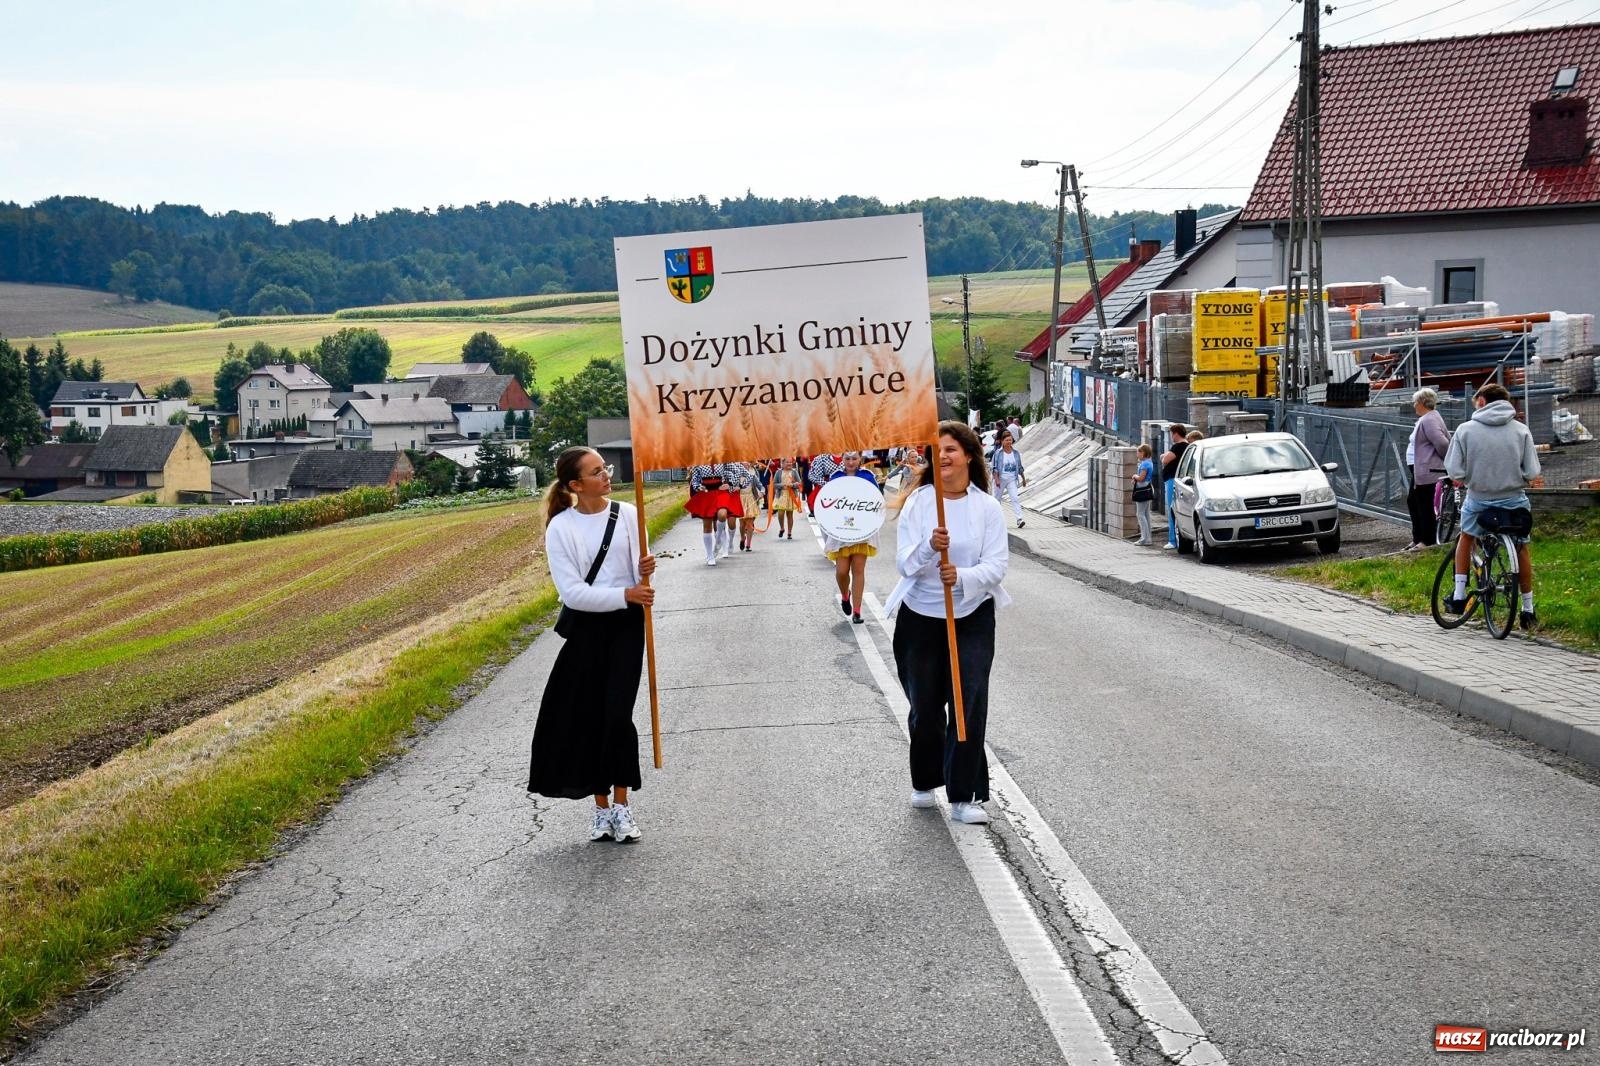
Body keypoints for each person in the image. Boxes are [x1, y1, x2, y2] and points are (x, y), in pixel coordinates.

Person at [528, 447, 657, 843]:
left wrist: (646, 573)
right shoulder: (560, 528)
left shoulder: (629, 514)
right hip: (586, 629)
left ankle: (622, 805)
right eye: (596, 471)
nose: (606, 475)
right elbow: (573, 594)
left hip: (626, 627)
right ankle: (601, 809)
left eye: (606, 468)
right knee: (590, 717)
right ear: (575, 484)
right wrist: (626, 593)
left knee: (618, 716)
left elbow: (639, 581)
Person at [884, 421, 1010, 825]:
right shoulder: (921, 503)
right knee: (924, 706)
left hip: (971, 616)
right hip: (920, 617)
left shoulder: (987, 508)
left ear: (969, 455)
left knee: (967, 703)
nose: (943, 457)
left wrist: (962, 576)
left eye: (951, 449)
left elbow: (997, 565)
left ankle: (963, 795)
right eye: (936, 451)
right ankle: (925, 780)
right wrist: (928, 547)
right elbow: (904, 564)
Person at [1443, 383, 1543, 628]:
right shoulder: (1521, 430)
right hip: (1514, 500)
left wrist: (1468, 478)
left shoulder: (1465, 430)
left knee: (1466, 537)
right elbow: (1532, 471)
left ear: (1482, 401)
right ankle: (1528, 610)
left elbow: (1454, 469)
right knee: (1521, 547)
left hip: (1479, 499)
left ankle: (1459, 596)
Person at [824, 451, 881, 624]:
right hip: (841, 531)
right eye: (847, 458)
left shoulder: (867, 476)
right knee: (841, 571)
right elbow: (828, 502)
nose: (850, 462)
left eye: (854, 458)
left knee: (858, 570)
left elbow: (876, 501)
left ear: (860, 459)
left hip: (861, 531)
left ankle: (857, 611)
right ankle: (845, 595)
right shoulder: (836, 477)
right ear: (842, 459)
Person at [1406, 388, 1452, 550]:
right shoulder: (1427, 418)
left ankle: (1427, 540)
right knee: (1413, 501)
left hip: (1428, 470)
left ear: (1422, 403)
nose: (1414, 405)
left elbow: (1442, 443)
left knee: (1424, 504)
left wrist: (1446, 461)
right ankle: (1418, 538)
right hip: (1422, 470)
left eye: (1415, 402)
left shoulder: (1429, 420)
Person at [687, 462, 741, 565]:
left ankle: (718, 541)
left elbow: (737, 471)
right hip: (706, 493)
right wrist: (698, 487)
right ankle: (710, 555)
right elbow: (694, 480)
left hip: (720, 492)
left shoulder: (722, 459)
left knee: (722, 515)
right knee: (707, 526)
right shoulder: (698, 462)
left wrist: (730, 484)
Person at [1159, 423, 1190, 550]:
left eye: (1172, 434)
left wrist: (1163, 457)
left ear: (1176, 433)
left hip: (1172, 480)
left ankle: (1172, 540)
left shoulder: (1178, 446)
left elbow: (1165, 460)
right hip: (1179, 480)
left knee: (1172, 509)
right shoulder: (1188, 446)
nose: (1171, 436)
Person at [989, 429, 1027, 528]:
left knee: (1015, 498)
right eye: (1006, 440)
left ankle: (1019, 519)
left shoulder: (1016, 453)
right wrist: (997, 479)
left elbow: (1019, 467)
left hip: (1011, 479)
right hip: (1000, 479)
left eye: (1010, 440)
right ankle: (993, 520)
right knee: (996, 500)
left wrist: (1023, 478)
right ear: (1002, 441)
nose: (1009, 442)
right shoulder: (998, 453)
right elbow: (994, 468)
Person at [770, 457, 802, 539]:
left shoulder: (794, 472)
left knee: (790, 514)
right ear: (782, 463)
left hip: (791, 495)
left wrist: (793, 485)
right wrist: (782, 485)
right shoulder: (778, 472)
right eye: (787, 462)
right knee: (780, 513)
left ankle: (789, 533)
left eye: (790, 462)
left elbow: (799, 483)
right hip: (781, 495)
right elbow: (774, 484)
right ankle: (782, 528)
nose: (789, 464)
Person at [1133, 444, 1156, 546]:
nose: (1137, 455)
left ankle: (1144, 539)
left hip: (1142, 490)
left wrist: (1135, 476)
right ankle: (1148, 538)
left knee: (1140, 514)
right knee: (1146, 514)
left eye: (1138, 452)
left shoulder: (1145, 464)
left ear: (1143, 453)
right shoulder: (1149, 462)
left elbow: (1141, 478)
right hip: (1147, 488)